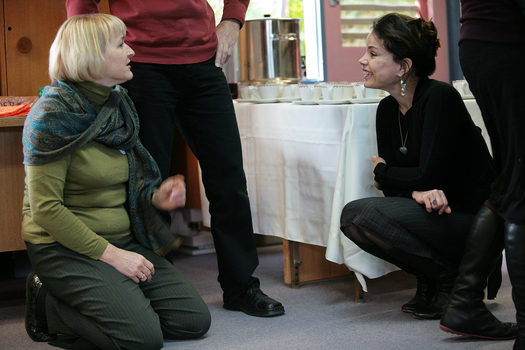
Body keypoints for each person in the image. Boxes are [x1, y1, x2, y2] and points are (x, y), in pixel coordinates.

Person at [66, 0, 285, 318]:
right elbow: (81, 6)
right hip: (139, 63)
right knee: (148, 184)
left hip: (203, 61)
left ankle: (241, 288)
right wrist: (92, 60)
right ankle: (156, 289)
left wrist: (233, 20)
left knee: (229, 179)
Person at [22, 14, 211, 349]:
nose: (131, 51)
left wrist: (154, 197)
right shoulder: (51, 116)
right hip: (64, 248)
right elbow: (46, 209)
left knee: (192, 321)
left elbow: (128, 179)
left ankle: (113, 296)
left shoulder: (118, 103)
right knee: (142, 339)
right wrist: (112, 256)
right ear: (91, 55)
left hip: (122, 239)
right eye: (121, 43)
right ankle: (50, 306)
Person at [339, 13, 496, 320]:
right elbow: (394, 189)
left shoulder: (439, 97)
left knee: (361, 213)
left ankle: (450, 279)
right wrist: (413, 190)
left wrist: (384, 172)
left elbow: (424, 175)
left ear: (403, 66)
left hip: (471, 219)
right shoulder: (387, 109)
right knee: (354, 218)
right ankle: (433, 277)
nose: (362, 61)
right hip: (434, 213)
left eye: (372, 53)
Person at [439, 0, 525, 346]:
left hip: (479, 40)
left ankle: (465, 302)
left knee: (511, 176)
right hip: (509, 42)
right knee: (521, 184)